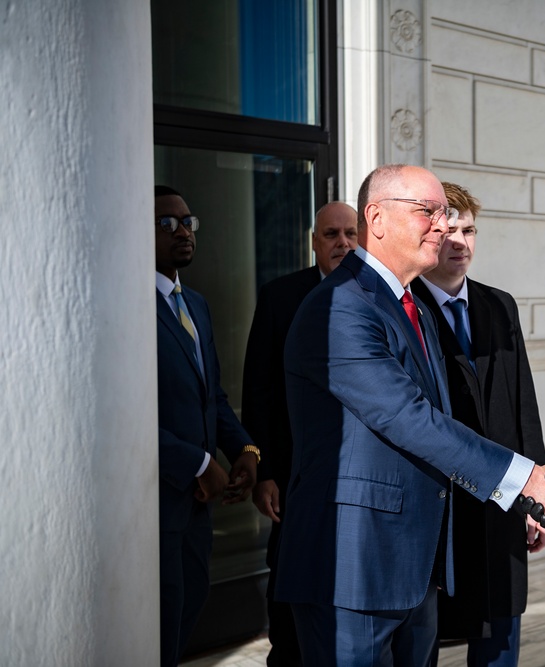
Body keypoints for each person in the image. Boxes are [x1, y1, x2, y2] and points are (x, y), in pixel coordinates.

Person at [273, 164, 545, 665]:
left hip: (415, 567)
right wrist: (527, 482)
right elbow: (410, 418)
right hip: (351, 570)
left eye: (446, 214)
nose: (444, 226)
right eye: (430, 212)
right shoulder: (339, 306)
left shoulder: (414, 307)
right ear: (376, 218)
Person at [413, 183, 545, 666]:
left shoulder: (499, 304)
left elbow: (523, 406)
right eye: (448, 232)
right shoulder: (407, 310)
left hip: (502, 503)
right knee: (425, 639)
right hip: (441, 507)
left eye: (469, 230)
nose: (460, 243)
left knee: (500, 636)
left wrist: (538, 494)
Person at [242, 201, 358, 667]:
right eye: (331, 234)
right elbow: (259, 389)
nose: (342, 243)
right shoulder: (279, 297)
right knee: (289, 611)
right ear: (313, 242)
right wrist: (264, 470)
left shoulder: (385, 297)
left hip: (355, 479)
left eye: (351, 233)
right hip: (292, 479)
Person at [154, 185, 260, 666]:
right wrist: (199, 463)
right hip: (154, 503)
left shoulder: (194, 303)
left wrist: (243, 451)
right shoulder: (128, 306)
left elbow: (211, 397)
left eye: (188, 221)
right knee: (159, 627)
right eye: (166, 223)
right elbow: (125, 417)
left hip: (198, 509)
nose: (182, 231)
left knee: (188, 612)